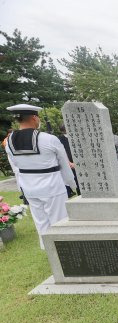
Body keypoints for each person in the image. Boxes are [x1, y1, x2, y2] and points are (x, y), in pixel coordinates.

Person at [5, 104, 76, 249]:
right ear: (34, 117)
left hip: (29, 187)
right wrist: (71, 184)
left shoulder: (9, 142)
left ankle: (49, 251)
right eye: (38, 117)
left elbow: (16, 167)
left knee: (41, 222)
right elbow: (64, 164)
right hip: (52, 186)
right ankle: (65, 251)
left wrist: (21, 188)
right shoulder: (49, 139)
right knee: (60, 221)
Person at [57, 125, 80, 197]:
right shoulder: (60, 139)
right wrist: (68, 162)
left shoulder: (76, 137)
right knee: (76, 180)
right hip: (70, 163)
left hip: (78, 161)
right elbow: (62, 152)